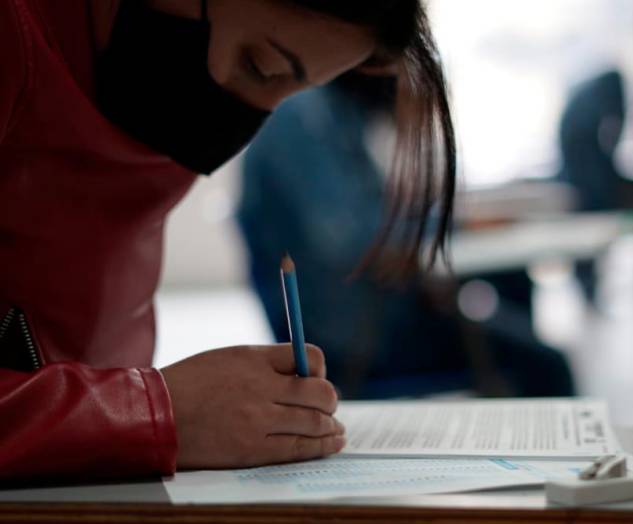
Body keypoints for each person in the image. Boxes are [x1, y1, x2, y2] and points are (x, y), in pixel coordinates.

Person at [0, 0, 455, 481]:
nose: (255, 116)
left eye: (300, 88)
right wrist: (162, 414)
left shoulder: (134, 113)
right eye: (261, 64)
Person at [238, 76, 576, 400]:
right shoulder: (303, 117)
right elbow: (356, 239)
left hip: (370, 313)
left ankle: (511, 424)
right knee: (544, 363)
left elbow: (376, 217)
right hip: (354, 337)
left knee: (511, 289)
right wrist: (452, 224)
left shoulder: (335, 111)